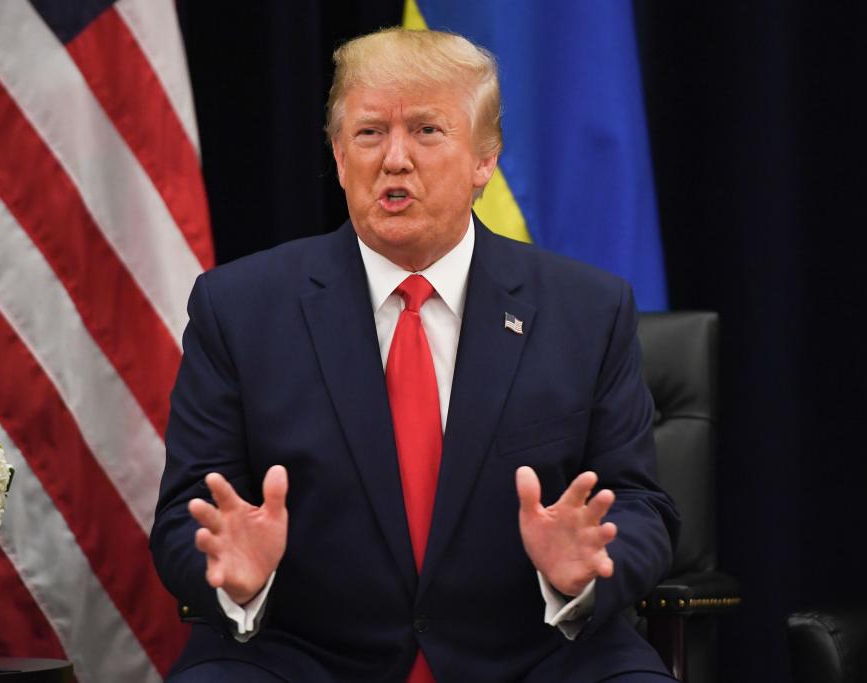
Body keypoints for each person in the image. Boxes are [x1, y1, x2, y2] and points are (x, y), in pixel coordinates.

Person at [151, 27, 679, 683]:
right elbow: (185, 514)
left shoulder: (589, 310)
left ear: (485, 160)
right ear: (341, 158)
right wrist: (231, 574)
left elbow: (640, 505)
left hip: (536, 653)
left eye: (427, 131)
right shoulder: (238, 308)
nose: (394, 159)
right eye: (370, 133)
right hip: (303, 656)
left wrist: (584, 569)